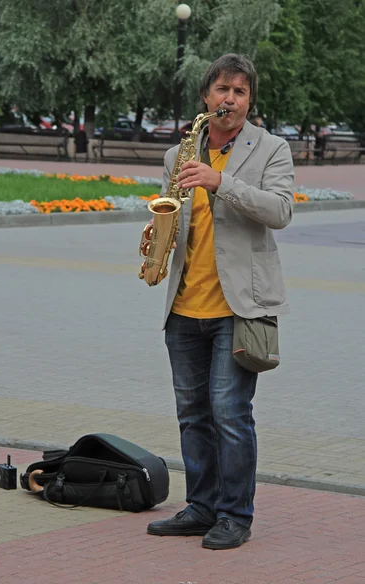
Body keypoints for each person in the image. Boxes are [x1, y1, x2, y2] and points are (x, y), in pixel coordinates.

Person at [146, 53, 294, 550]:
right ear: (205, 97)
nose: (229, 98)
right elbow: (177, 219)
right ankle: (202, 506)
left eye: (240, 91)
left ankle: (235, 514)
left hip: (240, 308)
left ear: (250, 101)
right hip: (184, 306)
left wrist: (220, 182)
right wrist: (155, 235)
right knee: (192, 414)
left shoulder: (272, 148)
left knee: (230, 414)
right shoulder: (178, 155)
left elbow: (280, 211)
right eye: (222, 89)